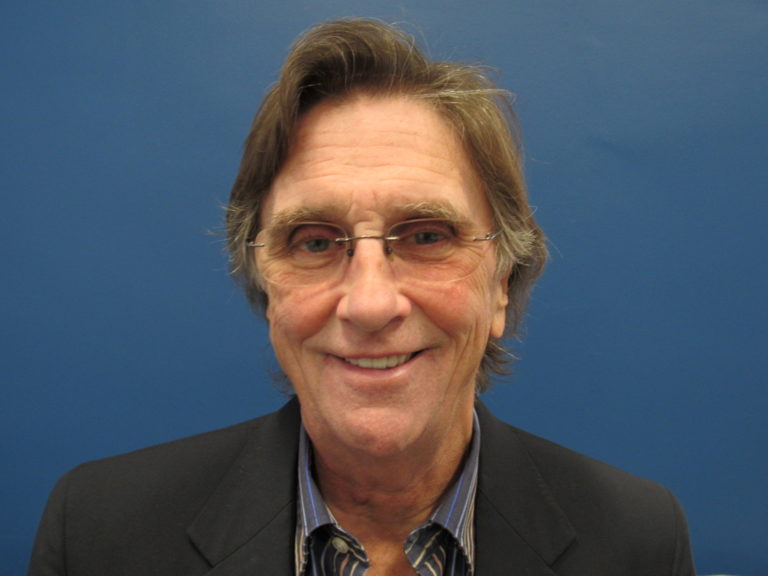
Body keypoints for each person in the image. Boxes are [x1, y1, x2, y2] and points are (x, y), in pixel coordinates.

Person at [28, 18, 695, 576]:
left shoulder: (637, 541)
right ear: (266, 288)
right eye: (315, 243)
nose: (371, 304)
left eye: (427, 235)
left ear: (500, 283)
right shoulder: (98, 534)